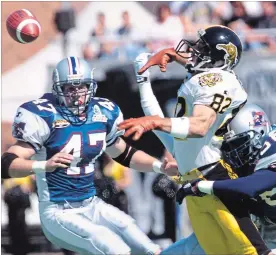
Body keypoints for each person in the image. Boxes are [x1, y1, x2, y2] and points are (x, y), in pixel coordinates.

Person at [1, 56, 179, 255]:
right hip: (58, 211)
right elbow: (7, 164)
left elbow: (124, 153)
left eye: (82, 87)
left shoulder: (102, 112)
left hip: (91, 204)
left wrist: (158, 166)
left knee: (147, 245)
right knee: (112, 246)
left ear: (91, 87)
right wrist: (43, 165)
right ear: (58, 89)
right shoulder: (43, 115)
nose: (77, 94)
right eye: (70, 88)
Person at [118, 25, 271, 255]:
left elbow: (200, 126)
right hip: (191, 185)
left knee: (254, 252)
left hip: (215, 181)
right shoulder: (206, 77)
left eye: (201, 49)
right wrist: (144, 81)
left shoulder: (217, 81)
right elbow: (164, 128)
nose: (193, 52)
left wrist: (155, 122)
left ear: (218, 59)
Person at [176, 108, 276, 225]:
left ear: (260, 132)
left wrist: (200, 186)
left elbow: (251, 186)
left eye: (238, 144)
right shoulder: (253, 159)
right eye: (232, 147)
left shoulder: (271, 151)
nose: (236, 152)